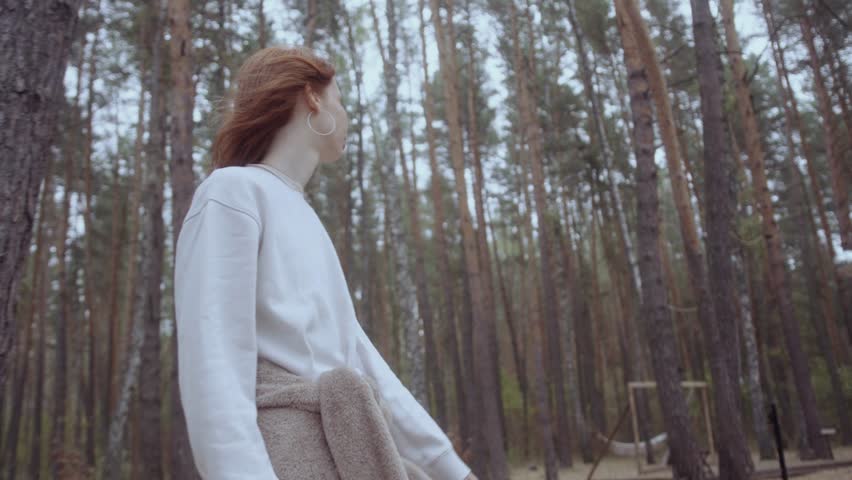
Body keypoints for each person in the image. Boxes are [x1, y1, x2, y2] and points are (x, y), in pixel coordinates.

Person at [173, 45, 477, 480]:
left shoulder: (304, 216)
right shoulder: (233, 191)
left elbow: (362, 362)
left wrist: (450, 470)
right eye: (342, 98)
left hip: (347, 453)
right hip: (283, 456)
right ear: (313, 97)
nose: (347, 113)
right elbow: (215, 363)